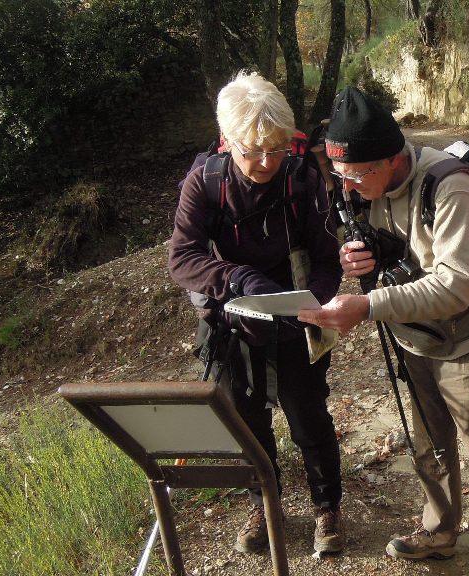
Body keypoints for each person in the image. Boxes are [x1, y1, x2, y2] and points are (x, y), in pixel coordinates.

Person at [297, 86, 469, 576]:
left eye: (357, 174)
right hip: (414, 337)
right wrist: (360, 260)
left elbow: (455, 286)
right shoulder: (366, 187)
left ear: (392, 158)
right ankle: (440, 528)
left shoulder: (453, 187)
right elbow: (387, 253)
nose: (347, 186)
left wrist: (367, 305)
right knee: (428, 442)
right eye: (339, 174)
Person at [168, 71, 345, 555]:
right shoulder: (204, 183)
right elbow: (182, 258)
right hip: (231, 320)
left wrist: (316, 306)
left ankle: (327, 506)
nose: (266, 161)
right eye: (253, 151)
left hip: (295, 315)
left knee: (307, 410)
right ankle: (263, 503)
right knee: (244, 417)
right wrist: (237, 282)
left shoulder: (302, 177)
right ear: (228, 141)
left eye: (277, 149)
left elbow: (327, 259)